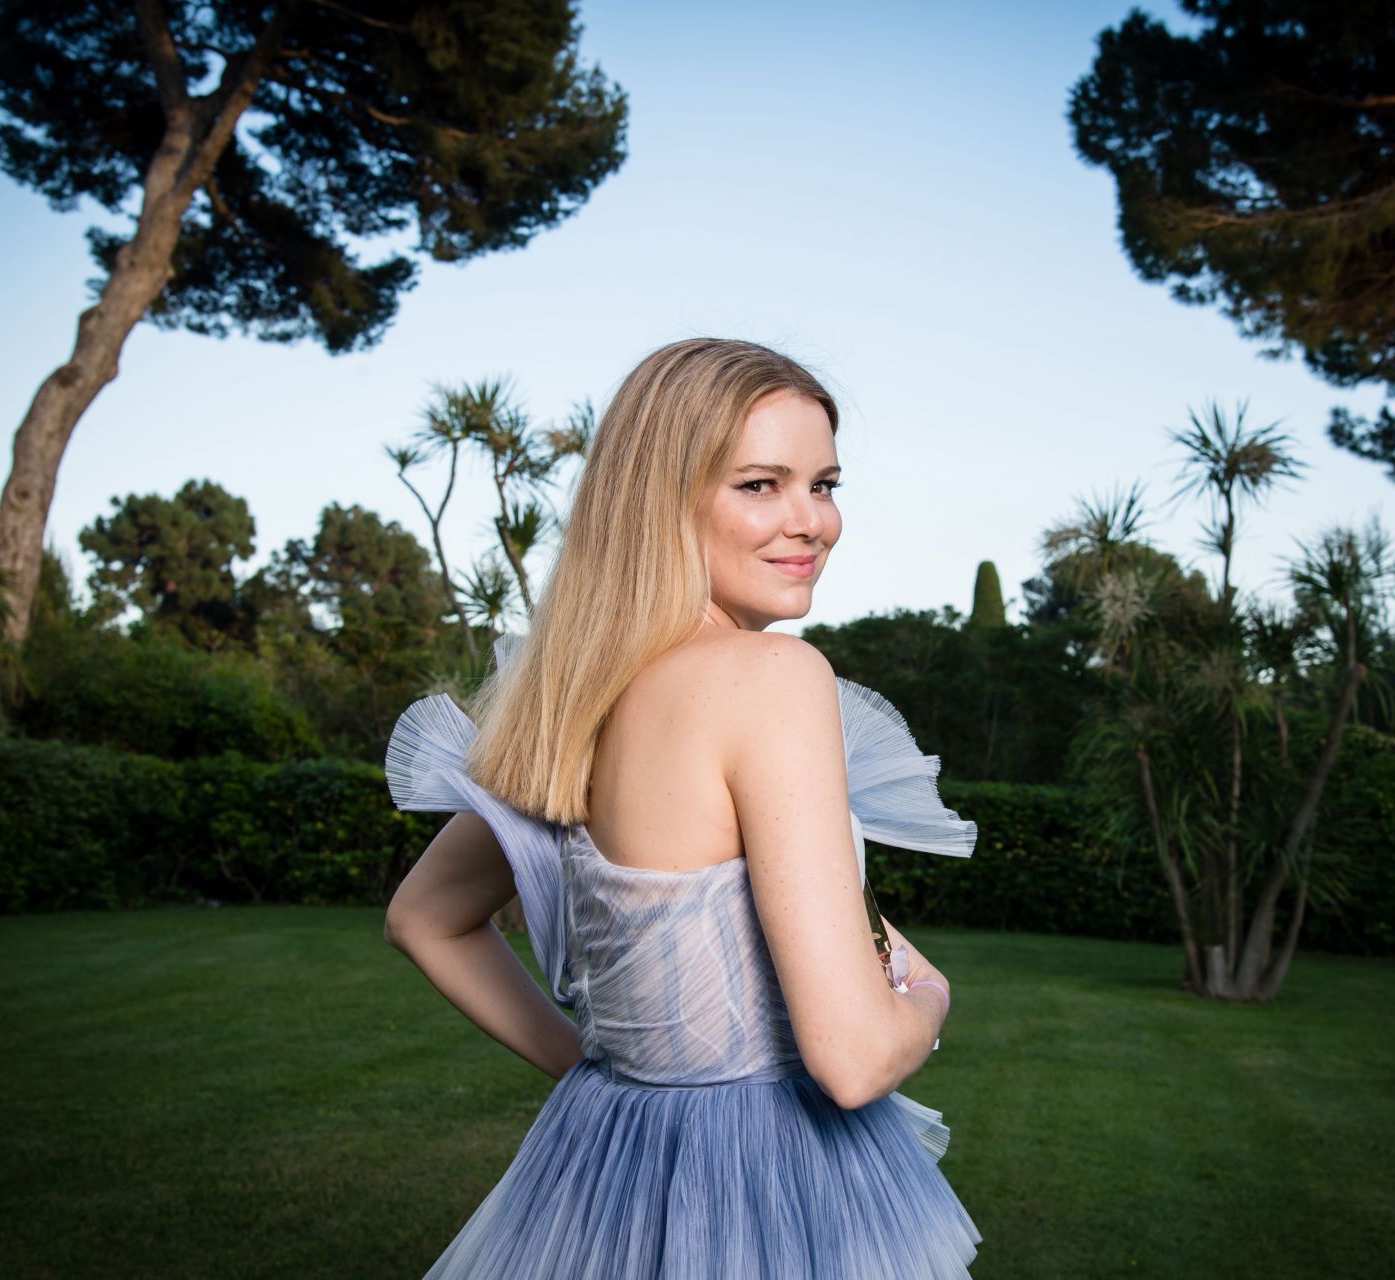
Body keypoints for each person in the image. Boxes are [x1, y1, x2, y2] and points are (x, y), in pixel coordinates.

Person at [381, 337, 983, 1277]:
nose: (812, 522)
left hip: (607, 1166)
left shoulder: (573, 702)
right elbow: (856, 1059)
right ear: (659, 498)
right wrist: (933, 1000)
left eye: (824, 483)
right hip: (770, 1190)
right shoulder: (773, 679)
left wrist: (597, 1071)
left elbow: (424, 918)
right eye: (760, 485)